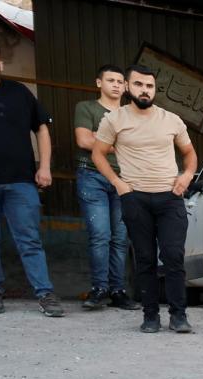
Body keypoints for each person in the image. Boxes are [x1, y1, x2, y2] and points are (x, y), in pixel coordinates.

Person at [92, 64, 197, 334]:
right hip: (135, 197)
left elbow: (189, 154)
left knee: (174, 256)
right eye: (139, 84)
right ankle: (150, 316)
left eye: (149, 86)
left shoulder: (171, 120)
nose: (144, 90)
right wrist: (118, 184)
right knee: (146, 258)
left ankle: (179, 315)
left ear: (155, 89)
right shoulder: (114, 119)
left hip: (169, 197)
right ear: (128, 87)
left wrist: (186, 176)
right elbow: (98, 153)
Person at [0, 41, 63, 317]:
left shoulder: (19, 92)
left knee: (30, 240)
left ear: (1, 63)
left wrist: (44, 167)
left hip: (20, 180)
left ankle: (45, 293)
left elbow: (41, 129)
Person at [74, 65, 132, 311]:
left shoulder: (131, 114)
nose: (117, 85)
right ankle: (100, 288)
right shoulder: (86, 108)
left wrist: (103, 140)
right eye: (111, 80)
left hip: (125, 178)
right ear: (99, 83)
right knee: (100, 235)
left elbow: (138, 146)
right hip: (93, 175)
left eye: (120, 81)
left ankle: (117, 290)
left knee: (120, 238)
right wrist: (121, 144)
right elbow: (84, 140)